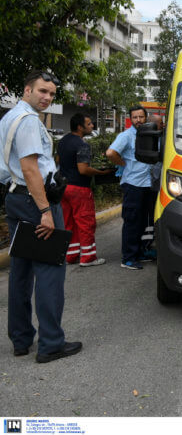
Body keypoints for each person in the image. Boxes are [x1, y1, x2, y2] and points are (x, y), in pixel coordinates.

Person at [0, 70, 82, 362]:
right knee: (49, 272)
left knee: (21, 270)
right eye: (42, 92)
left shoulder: (9, 118)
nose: (46, 97)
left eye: (51, 94)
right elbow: (30, 169)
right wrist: (46, 211)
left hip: (16, 197)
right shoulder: (28, 123)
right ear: (26, 90)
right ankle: (50, 344)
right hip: (36, 202)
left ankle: (21, 340)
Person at [57, 113, 113, 266]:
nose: (92, 126)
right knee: (85, 222)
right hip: (79, 189)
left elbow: (58, 162)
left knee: (69, 223)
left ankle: (71, 255)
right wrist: (101, 172)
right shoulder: (82, 145)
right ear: (80, 127)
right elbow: (83, 169)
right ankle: (88, 257)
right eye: (89, 124)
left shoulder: (63, 141)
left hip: (63, 188)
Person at [106, 105, 153, 270]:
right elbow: (110, 153)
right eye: (135, 117)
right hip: (132, 184)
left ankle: (139, 252)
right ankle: (128, 258)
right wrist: (124, 164)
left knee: (142, 221)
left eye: (141, 117)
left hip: (146, 184)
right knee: (132, 221)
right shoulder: (126, 136)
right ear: (130, 119)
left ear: (146, 117)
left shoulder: (148, 134)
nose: (138, 120)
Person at [141, 113, 165, 260]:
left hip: (158, 186)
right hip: (152, 187)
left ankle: (151, 244)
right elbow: (154, 166)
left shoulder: (161, 138)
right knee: (149, 218)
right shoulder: (151, 140)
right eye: (161, 123)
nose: (163, 125)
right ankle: (147, 247)